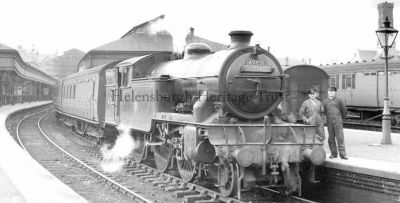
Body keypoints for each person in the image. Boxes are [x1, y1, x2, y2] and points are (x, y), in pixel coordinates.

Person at [299, 88, 325, 183]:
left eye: (314, 94)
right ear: (309, 95)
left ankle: (319, 147)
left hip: (318, 123)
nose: (313, 95)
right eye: (311, 94)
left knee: (321, 137)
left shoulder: (319, 103)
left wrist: (322, 119)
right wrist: (305, 119)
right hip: (309, 123)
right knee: (310, 143)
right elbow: (301, 113)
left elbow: (323, 112)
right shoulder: (306, 103)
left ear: (316, 95)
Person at [322, 87, 348, 160]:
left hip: (338, 122)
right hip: (329, 122)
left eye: (332, 91)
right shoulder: (325, 102)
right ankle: (333, 154)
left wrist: (340, 118)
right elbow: (323, 112)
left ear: (335, 92)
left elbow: (344, 110)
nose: (331, 93)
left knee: (340, 138)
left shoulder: (339, 101)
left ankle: (343, 154)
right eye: (329, 91)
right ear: (327, 92)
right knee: (331, 138)